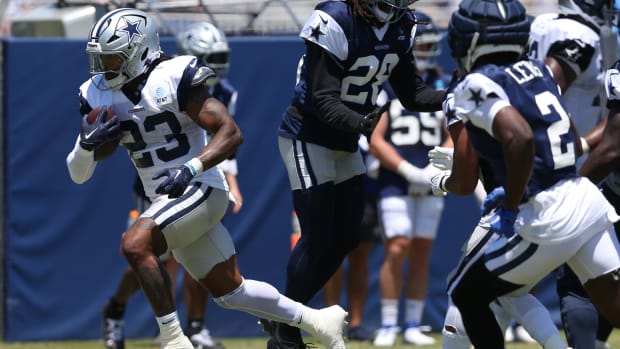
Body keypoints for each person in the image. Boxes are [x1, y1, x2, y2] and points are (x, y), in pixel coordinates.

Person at [66, 8, 347, 349]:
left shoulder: (172, 75)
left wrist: (191, 169)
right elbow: (79, 175)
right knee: (231, 291)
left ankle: (174, 341)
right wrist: (84, 146)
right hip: (166, 200)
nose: (103, 68)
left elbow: (230, 133)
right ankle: (319, 320)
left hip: (200, 188)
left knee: (135, 243)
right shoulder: (96, 93)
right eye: (101, 59)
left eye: (112, 59)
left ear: (139, 52)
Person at [429, 0, 620, 348]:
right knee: (614, 304)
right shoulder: (540, 72)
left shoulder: (472, 86)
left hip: (548, 211)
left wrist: (513, 202)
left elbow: (519, 138)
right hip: (584, 194)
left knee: (467, 292)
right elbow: (561, 132)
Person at [266, 0, 446, 347]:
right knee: (317, 237)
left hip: (346, 138)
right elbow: (322, 98)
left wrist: (453, 97)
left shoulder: (401, 24)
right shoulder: (335, 19)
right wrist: (360, 124)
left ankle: (279, 312)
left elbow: (413, 94)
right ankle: (285, 329)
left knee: (347, 237)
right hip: (308, 135)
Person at [100, 21, 244, 349]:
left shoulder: (222, 91)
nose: (215, 66)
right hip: (156, 183)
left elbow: (224, 139)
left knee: (196, 259)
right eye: (209, 57)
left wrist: (231, 180)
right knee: (153, 256)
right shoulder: (159, 81)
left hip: (197, 178)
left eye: (219, 57)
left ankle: (193, 328)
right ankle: (123, 309)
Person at [527, 1, 616, 347]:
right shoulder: (580, 34)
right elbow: (545, 95)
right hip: (566, 169)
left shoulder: (540, 25)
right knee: (581, 277)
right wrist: (573, 146)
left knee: (518, 266)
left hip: (534, 159)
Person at [368, 11, 450, 346]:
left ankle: (413, 324)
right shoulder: (387, 82)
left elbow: (451, 133)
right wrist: (406, 170)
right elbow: (375, 138)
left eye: (431, 42)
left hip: (430, 178)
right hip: (395, 178)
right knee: (398, 246)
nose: (427, 48)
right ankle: (389, 323)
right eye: (423, 41)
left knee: (421, 251)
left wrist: (434, 168)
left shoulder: (442, 82)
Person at [321, 137, 378, 342]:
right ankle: (330, 322)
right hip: (333, 184)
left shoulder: (377, 105)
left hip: (365, 188)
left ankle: (356, 324)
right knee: (333, 254)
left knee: (360, 253)